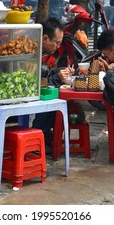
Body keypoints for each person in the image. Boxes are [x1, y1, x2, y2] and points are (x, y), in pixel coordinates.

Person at [32, 17, 75, 154]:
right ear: (45, 38)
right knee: (50, 99)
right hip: (25, 96)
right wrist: (57, 77)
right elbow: (35, 84)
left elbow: (45, 73)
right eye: (57, 42)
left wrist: (60, 72)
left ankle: (45, 136)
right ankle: (38, 139)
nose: (58, 46)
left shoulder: (43, 52)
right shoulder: (31, 51)